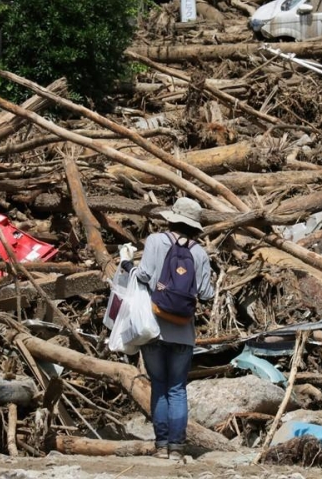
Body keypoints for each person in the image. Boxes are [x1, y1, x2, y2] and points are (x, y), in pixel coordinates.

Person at [119, 197, 214, 462]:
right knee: (177, 389)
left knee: (159, 387)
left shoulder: (155, 241)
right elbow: (206, 293)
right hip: (183, 332)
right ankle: (177, 449)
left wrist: (128, 266)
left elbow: (146, 275)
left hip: (153, 329)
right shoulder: (200, 252)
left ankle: (161, 447)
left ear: (171, 218)